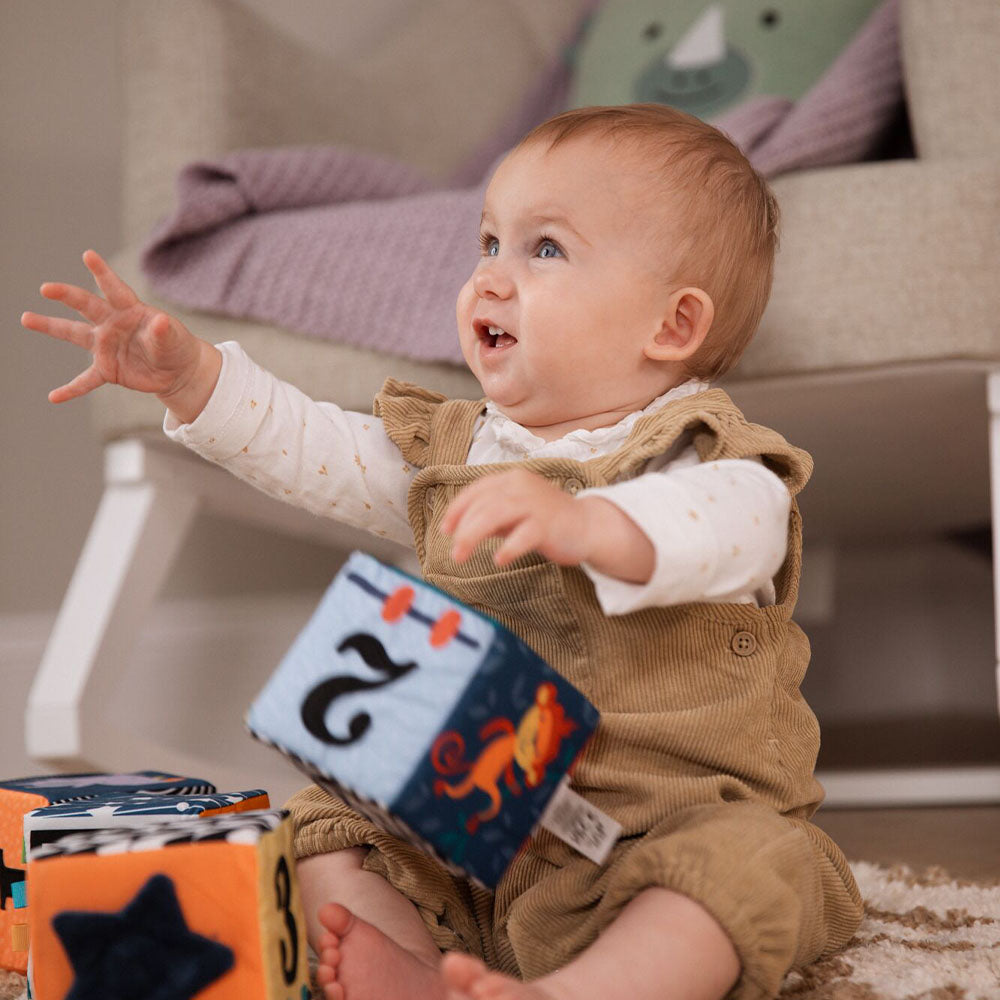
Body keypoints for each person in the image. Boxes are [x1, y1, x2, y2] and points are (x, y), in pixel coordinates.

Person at [23, 104, 862, 1000]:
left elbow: (742, 523)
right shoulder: (463, 454)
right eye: (488, 242)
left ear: (670, 326)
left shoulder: (701, 454)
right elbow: (324, 452)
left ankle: (576, 993)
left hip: (658, 841)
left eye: (544, 250)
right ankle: (421, 973)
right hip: (481, 851)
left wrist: (589, 525)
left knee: (750, 867)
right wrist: (195, 381)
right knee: (322, 832)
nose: (490, 279)